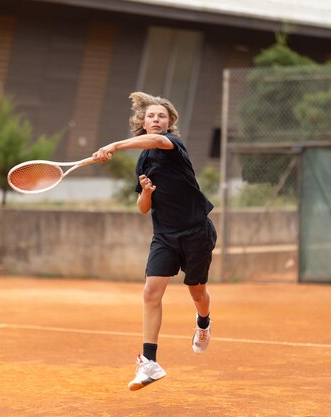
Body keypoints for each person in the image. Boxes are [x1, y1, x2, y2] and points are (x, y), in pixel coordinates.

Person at [92, 92, 217, 391]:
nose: (157, 120)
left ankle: (203, 324)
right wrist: (146, 192)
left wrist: (113, 145)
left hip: (196, 230)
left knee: (197, 292)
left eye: (162, 116)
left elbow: (156, 142)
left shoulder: (172, 144)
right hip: (164, 235)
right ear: (143, 122)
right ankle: (150, 362)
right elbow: (142, 207)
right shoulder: (144, 161)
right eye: (151, 116)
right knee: (151, 292)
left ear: (170, 122)